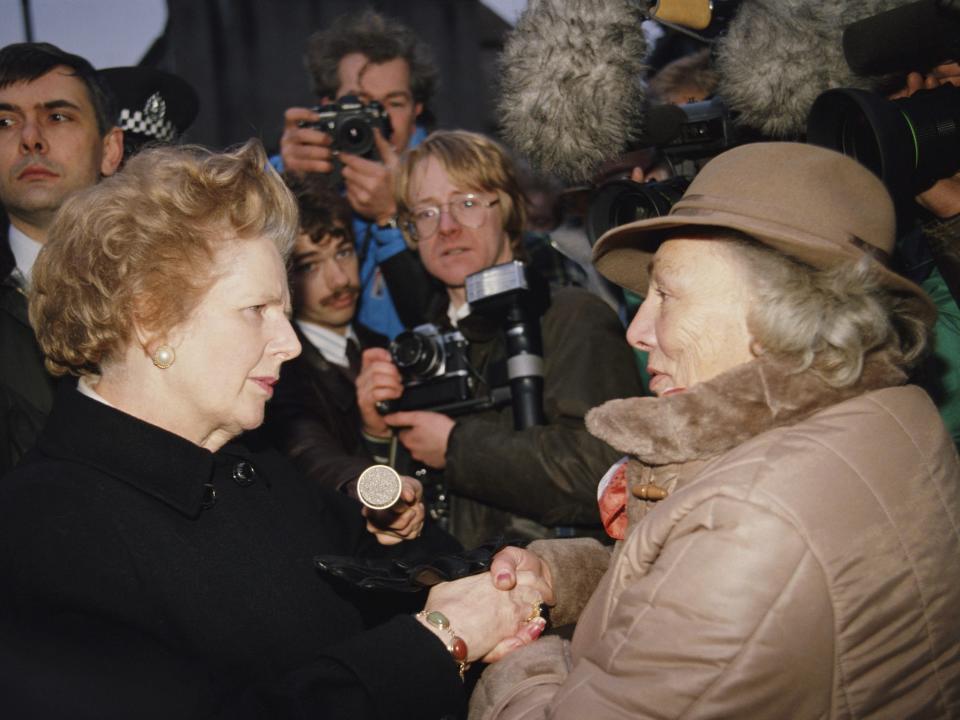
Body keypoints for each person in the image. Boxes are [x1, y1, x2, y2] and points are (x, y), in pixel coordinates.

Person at [0, 139, 552, 719]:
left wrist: (508, 574)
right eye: (256, 310)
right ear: (150, 318)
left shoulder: (253, 464)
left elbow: (395, 566)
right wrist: (441, 641)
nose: (289, 345)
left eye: (286, 314)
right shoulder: (37, 537)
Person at [470, 142, 960, 719]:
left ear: (783, 312)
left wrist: (516, 654)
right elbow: (705, 595)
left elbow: (735, 564)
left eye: (668, 294)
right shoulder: (890, 413)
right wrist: (560, 579)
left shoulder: (753, 516)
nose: (637, 330)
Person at [357, 130, 644, 547]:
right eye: (427, 213)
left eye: (468, 204)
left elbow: (606, 475)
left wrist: (457, 448)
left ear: (508, 213)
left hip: (551, 589)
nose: (448, 227)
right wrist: (376, 434)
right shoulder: (422, 344)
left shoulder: (571, 317)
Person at [260, 173, 423, 535]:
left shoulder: (388, 344)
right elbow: (310, 453)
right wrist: (373, 485)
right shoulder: (278, 367)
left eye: (344, 253)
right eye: (310, 266)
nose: (339, 279)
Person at [275, 9, 438, 339]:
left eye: (394, 103)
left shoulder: (448, 178)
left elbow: (434, 313)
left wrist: (394, 215)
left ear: (417, 109)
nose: (379, 120)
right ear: (326, 106)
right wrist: (281, 183)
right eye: (361, 105)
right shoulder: (292, 168)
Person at [0, 41, 123, 475]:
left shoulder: (183, 281)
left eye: (57, 117)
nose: (30, 138)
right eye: (5, 121)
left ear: (110, 150)